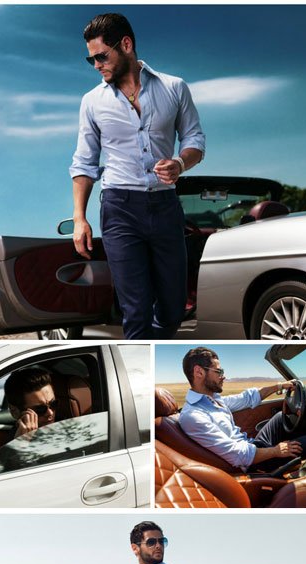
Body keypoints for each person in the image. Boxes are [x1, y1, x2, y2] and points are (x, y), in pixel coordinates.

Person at [70, 12, 205, 339]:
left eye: (101, 56)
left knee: (174, 307)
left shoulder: (174, 88)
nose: (96, 65)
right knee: (136, 309)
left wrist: (180, 164)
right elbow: (85, 163)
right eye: (91, 60)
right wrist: (79, 218)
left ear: (126, 45)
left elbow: (195, 141)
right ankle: (141, 372)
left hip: (165, 207)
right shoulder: (91, 102)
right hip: (119, 209)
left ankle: (153, 347)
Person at [179, 347, 306, 473]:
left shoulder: (213, 400)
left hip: (252, 445)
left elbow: (247, 398)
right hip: (253, 464)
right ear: (199, 372)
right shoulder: (193, 416)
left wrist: (280, 386)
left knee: (280, 416)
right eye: (219, 371)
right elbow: (238, 455)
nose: (224, 376)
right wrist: (276, 451)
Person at [4, 367, 58, 438]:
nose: (50, 413)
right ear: (15, 411)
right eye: (40, 409)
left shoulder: (67, 425)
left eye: (53, 404)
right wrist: (23, 441)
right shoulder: (12, 444)